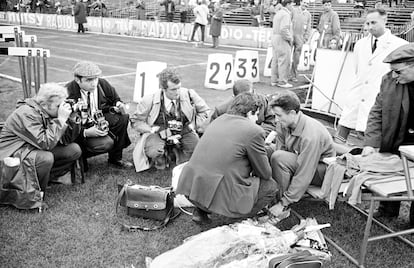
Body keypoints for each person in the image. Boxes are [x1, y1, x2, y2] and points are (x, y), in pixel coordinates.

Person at [177, 92, 278, 224]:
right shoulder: (254, 130)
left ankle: (201, 210)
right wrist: (264, 152)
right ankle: (233, 219)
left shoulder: (218, 120)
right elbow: (265, 173)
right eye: (257, 114)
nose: (258, 119)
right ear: (251, 113)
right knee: (270, 186)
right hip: (220, 193)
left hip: (191, 190)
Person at [0, 83, 82, 209]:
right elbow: (45, 143)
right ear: (44, 104)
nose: (62, 109)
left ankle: (45, 178)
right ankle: (37, 194)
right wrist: (60, 120)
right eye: (58, 106)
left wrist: (70, 118)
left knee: (73, 150)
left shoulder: (45, 110)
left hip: (31, 148)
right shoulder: (26, 113)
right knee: (46, 158)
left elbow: (66, 140)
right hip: (12, 153)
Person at [336, 9, 407, 144]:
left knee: (370, 138)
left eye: (373, 22)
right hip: (357, 95)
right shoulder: (360, 44)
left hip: (380, 97)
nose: (369, 27)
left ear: (385, 20)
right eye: (367, 23)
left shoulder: (399, 45)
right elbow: (358, 70)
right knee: (341, 136)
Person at [362, 43, 414, 227]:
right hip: (396, 135)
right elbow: (377, 111)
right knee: (389, 171)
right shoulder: (389, 80)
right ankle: (387, 209)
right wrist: (370, 143)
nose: (394, 75)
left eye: (398, 71)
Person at [267, 91, 335, 217]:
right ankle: (267, 194)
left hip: (322, 170)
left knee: (279, 158)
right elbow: (280, 148)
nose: (276, 119)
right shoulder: (284, 123)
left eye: (278, 115)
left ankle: (281, 206)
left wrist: (285, 201)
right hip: (301, 160)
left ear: (292, 113)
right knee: (267, 150)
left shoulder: (310, 136)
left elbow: (305, 171)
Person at [130, 67, 210, 172]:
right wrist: (151, 130)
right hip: (158, 132)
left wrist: (193, 126)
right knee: (154, 151)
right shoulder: (149, 100)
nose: (178, 92)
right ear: (163, 89)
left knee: (197, 151)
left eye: (179, 88)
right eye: (173, 89)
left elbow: (205, 112)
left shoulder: (190, 94)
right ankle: (162, 158)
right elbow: (136, 121)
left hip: (184, 130)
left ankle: (176, 154)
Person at [66, 61, 133, 170]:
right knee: (104, 144)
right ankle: (80, 158)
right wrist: (85, 132)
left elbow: (115, 99)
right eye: (89, 80)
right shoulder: (67, 92)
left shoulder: (103, 84)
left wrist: (118, 105)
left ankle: (116, 158)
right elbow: (65, 125)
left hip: (99, 118)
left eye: (96, 78)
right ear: (77, 80)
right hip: (81, 126)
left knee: (123, 118)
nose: (94, 83)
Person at [211, 79, 276, 135]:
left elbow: (271, 123)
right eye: (242, 98)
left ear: (254, 92)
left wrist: (258, 133)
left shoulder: (263, 100)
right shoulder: (222, 109)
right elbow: (214, 131)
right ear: (234, 97)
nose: (247, 99)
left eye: (250, 96)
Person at [271, 0, 293, 88]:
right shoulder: (286, 14)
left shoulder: (278, 13)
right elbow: (283, 29)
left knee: (275, 60)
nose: (292, 6)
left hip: (275, 37)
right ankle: (283, 81)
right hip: (282, 38)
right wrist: (290, 38)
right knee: (284, 60)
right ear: (287, 5)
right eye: (291, 4)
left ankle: (274, 80)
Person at [290, 0, 311, 82]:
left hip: (300, 38)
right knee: (287, 56)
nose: (305, 4)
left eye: (307, 3)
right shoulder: (293, 10)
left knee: (296, 58)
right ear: (301, 2)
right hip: (291, 36)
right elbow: (288, 22)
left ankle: (293, 75)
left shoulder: (308, 14)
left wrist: (305, 38)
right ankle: (283, 75)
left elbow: (309, 27)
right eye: (304, 2)